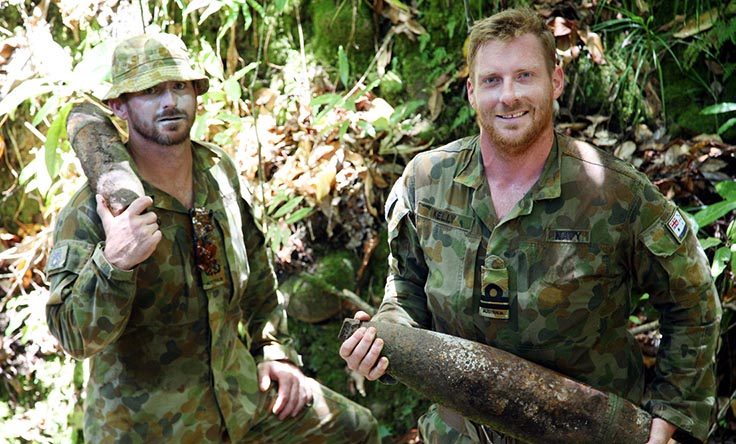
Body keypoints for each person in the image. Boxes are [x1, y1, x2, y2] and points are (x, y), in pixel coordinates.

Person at [339, 8, 720, 444]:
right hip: (457, 432)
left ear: (555, 81)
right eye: (491, 80)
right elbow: (405, 285)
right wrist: (388, 340)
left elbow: (693, 303)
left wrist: (672, 412)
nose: (508, 96)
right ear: (470, 91)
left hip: (588, 431)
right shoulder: (427, 182)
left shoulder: (616, 195)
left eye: (524, 76)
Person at [45, 32, 379, 443]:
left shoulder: (216, 173)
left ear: (197, 93)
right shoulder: (91, 211)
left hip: (239, 403)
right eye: (150, 91)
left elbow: (256, 268)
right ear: (120, 106)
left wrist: (273, 350)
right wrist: (115, 261)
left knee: (352, 429)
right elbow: (72, 336)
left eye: (179, 87)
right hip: (148, 429)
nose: (169, 102)